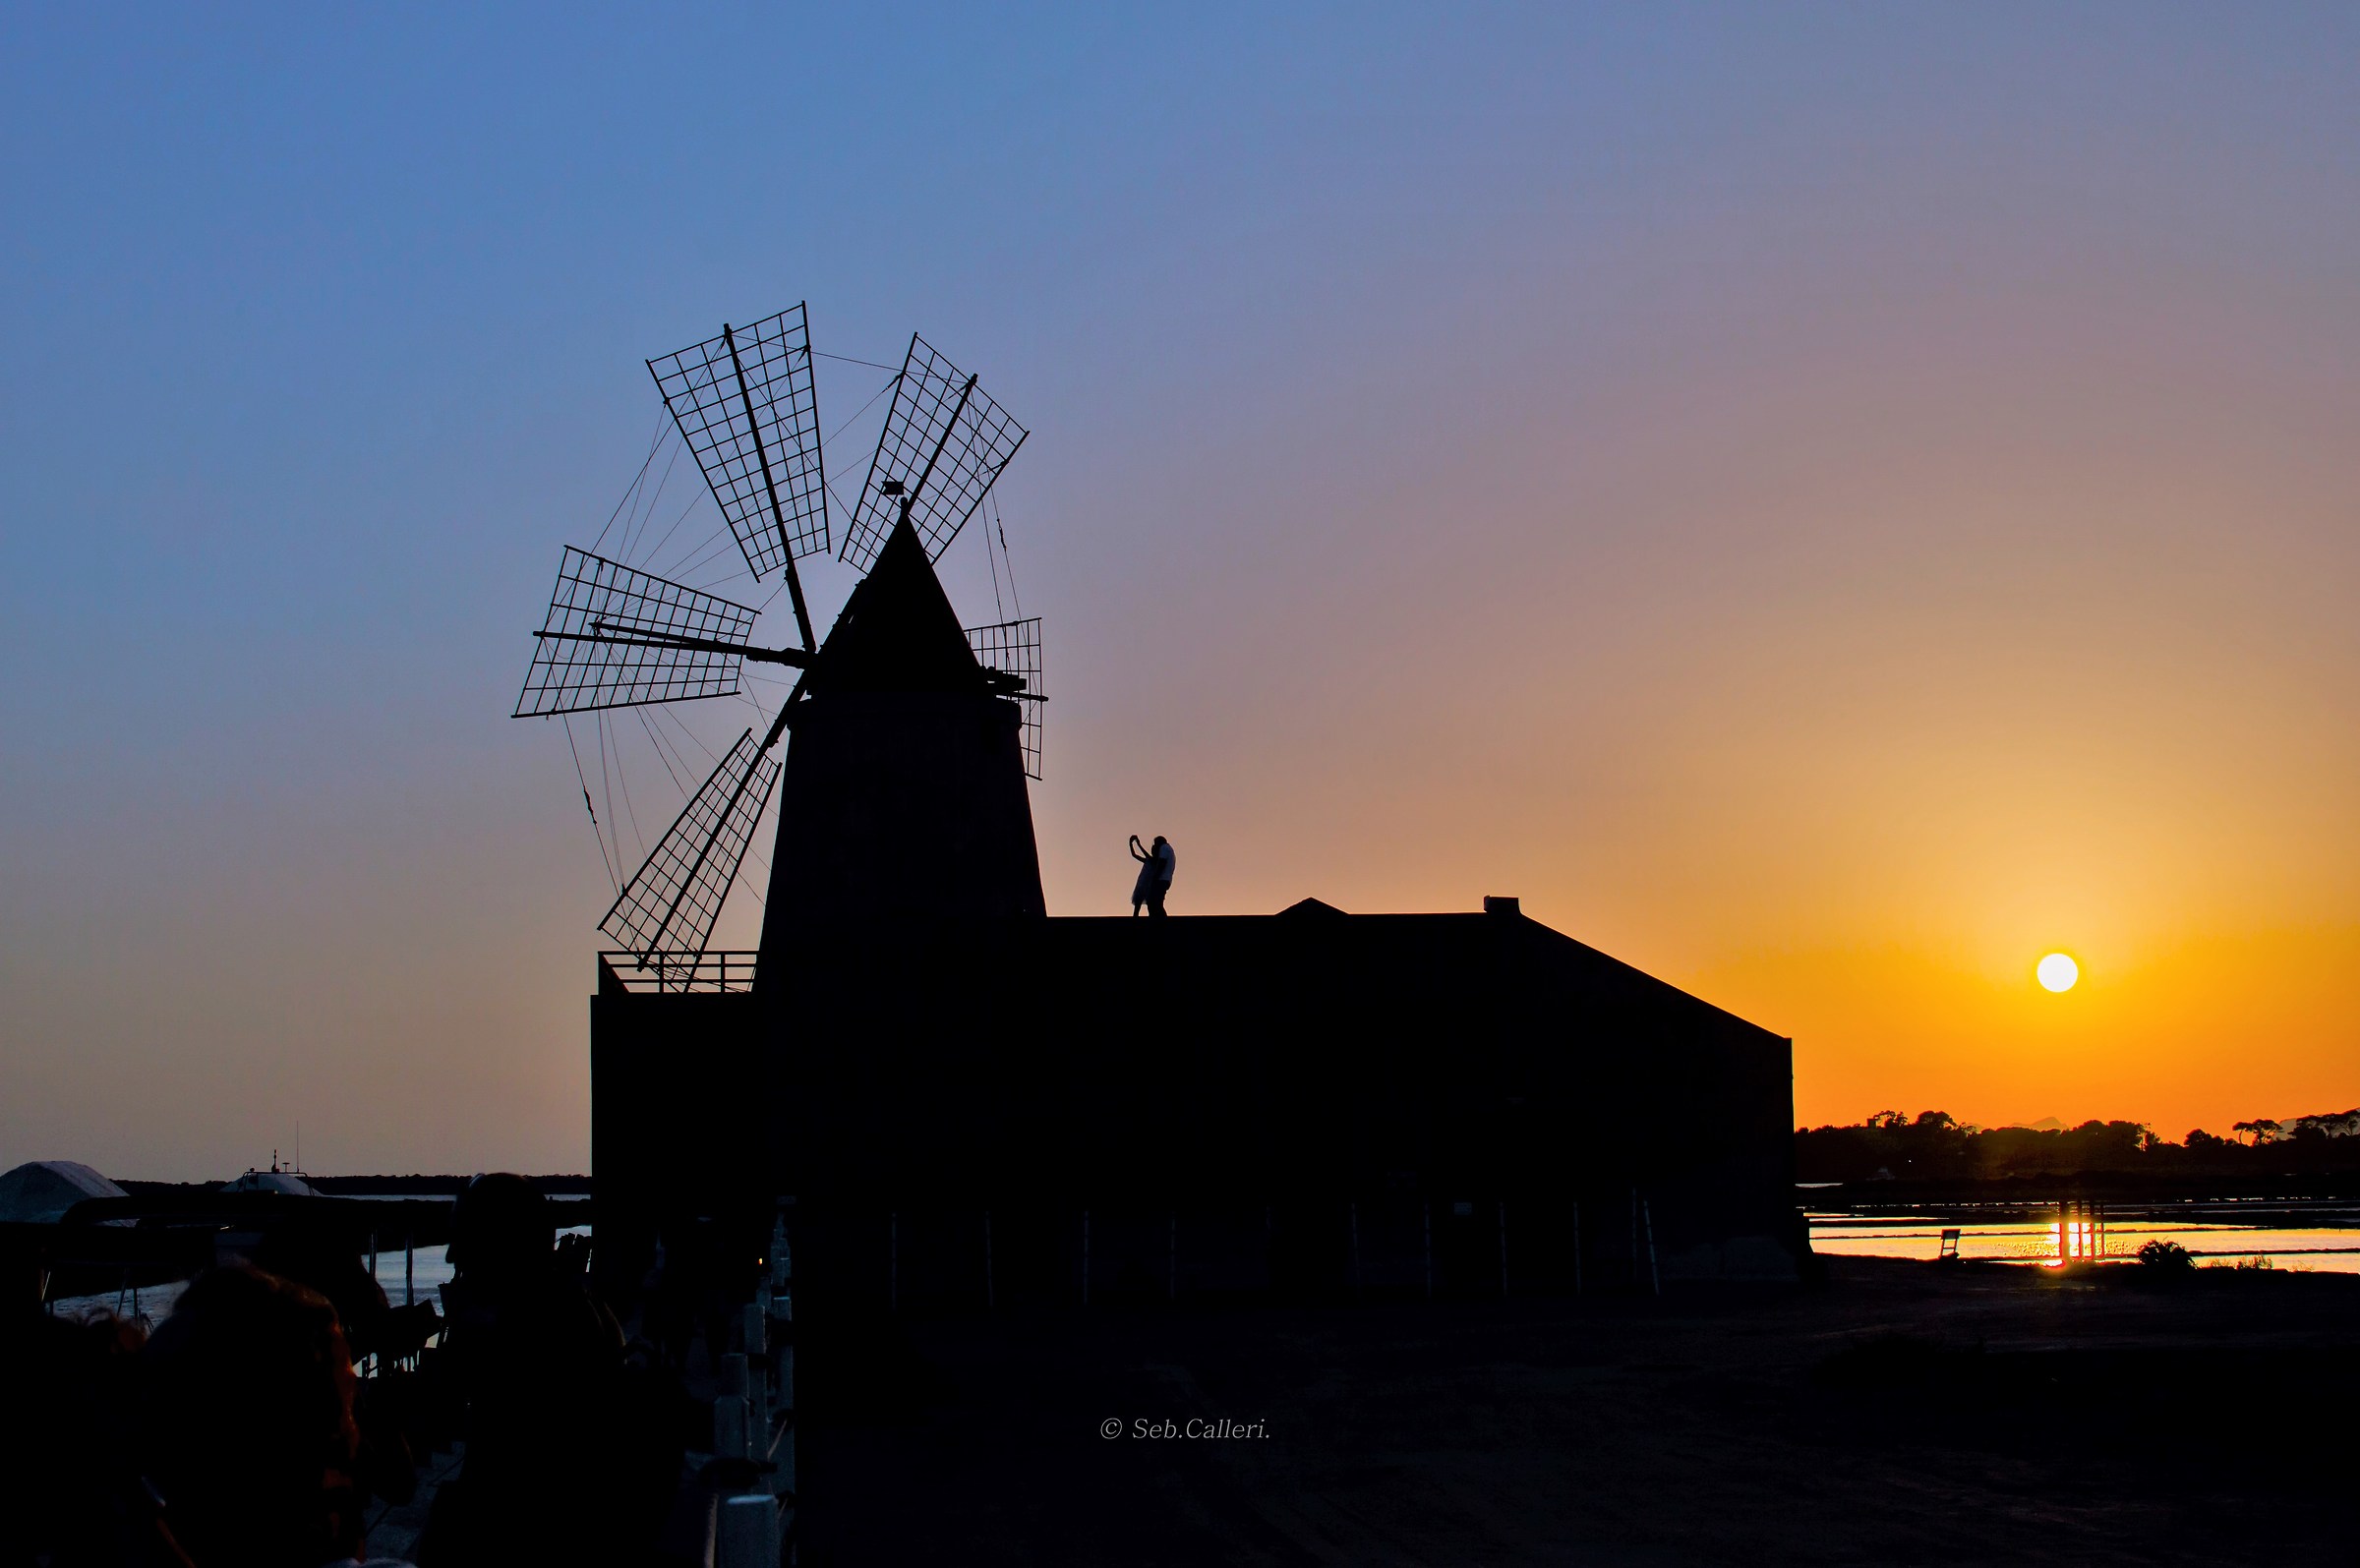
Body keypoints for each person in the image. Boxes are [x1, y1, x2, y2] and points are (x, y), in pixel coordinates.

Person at [1129, 834, 1175, 917]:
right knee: (1154, 903)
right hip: (1148, 882)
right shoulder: (1154, 858)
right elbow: (1135, 855)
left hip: (1154, 881)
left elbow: (1158, 862)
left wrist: (1138, 844)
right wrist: (1132, 844)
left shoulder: (1155, 858)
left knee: (1154, 903)